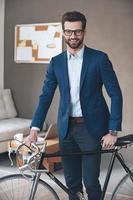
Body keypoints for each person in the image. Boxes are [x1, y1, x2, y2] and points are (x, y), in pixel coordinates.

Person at [25, 11, 123, 200]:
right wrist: (34, 129)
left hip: (91, 129)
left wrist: (113, 130)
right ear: (63, 33)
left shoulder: (99, 59)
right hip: (66, 129)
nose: (73, 36)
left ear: (84, 32)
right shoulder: (56, 63)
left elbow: (115, 94)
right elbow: (45, 97)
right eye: (69, 32)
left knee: (91, 182)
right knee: (72, 183)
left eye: (77, 32)